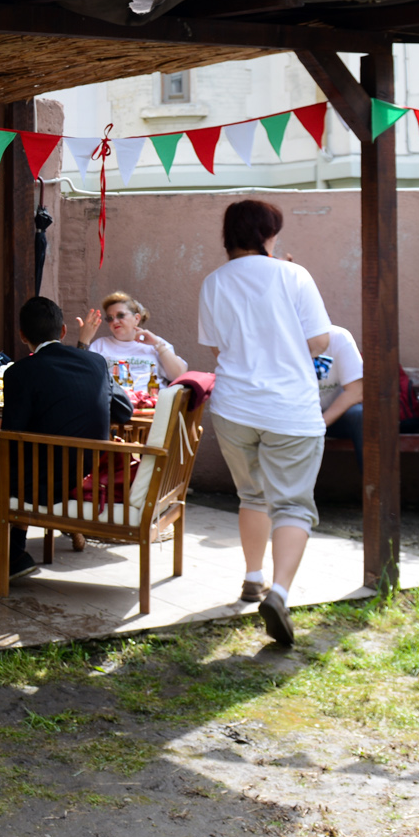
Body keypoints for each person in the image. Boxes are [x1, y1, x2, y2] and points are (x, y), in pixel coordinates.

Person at [198, 199, 333, 647]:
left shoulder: (213, 282)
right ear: (266, 235)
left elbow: (217, 351)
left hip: (235, 406)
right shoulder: (294, 275)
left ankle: (252, 578)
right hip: (289, 408)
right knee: (292, 504)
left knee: (251, 494)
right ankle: (277, 593)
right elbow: (318, 341)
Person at [0, 296, 127, 582]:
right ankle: (15, 551)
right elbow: (124, 410)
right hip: (82, 474)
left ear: (22, 335)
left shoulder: (20, 372)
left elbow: (11, 438)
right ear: (64, 330)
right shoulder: (96, 363)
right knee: (25, 467)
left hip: (39, 481)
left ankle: (4, 546)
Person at [85, 293, 188, 387]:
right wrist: (84, 340)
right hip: (112, 404)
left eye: (120, 315)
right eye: (110, 318)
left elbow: (179, 375)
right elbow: (85, 377)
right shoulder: (100, 345)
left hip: (151, 404)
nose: (115, 321)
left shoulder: (156, 343)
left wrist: (158, 345)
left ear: (137, 318)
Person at [314, 324, 366, 448]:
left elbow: (356, 392)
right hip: (295, 416)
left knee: (360, 415)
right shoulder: (280, 341)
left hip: (335, 415)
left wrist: (318, 425)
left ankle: (371, 467)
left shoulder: (338, 337)